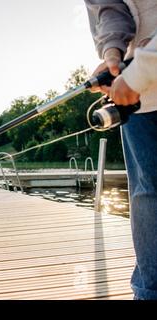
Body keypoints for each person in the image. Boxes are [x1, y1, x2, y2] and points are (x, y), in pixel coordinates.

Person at [85, 0, 157, 299]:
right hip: (141, 100)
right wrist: (113, 53)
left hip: (139, 80)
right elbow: (109, 9)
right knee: (147, 195)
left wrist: (140, 69)